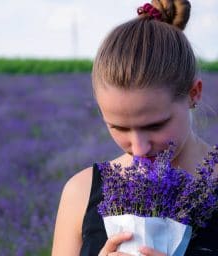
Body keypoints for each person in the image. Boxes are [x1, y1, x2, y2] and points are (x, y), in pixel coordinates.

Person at [51, 0, 218, 255]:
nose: (139, 149)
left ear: (193, 94)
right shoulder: (80, 192)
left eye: (155, 125)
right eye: (119, 127)